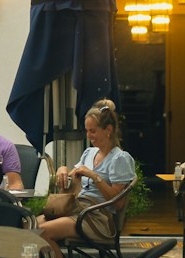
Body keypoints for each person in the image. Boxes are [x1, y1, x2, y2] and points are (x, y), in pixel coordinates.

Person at [37, 100, 136, 242]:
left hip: (97, 218)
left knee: (42, 232)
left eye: (93, 131)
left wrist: (94, 176)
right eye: (87, 131)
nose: (88, 136)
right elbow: (73, 177)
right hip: (78, 210)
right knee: (30, 225)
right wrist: (62, 170)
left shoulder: (119, 159)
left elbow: (118, 203)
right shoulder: (89, 153)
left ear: (108, 130)